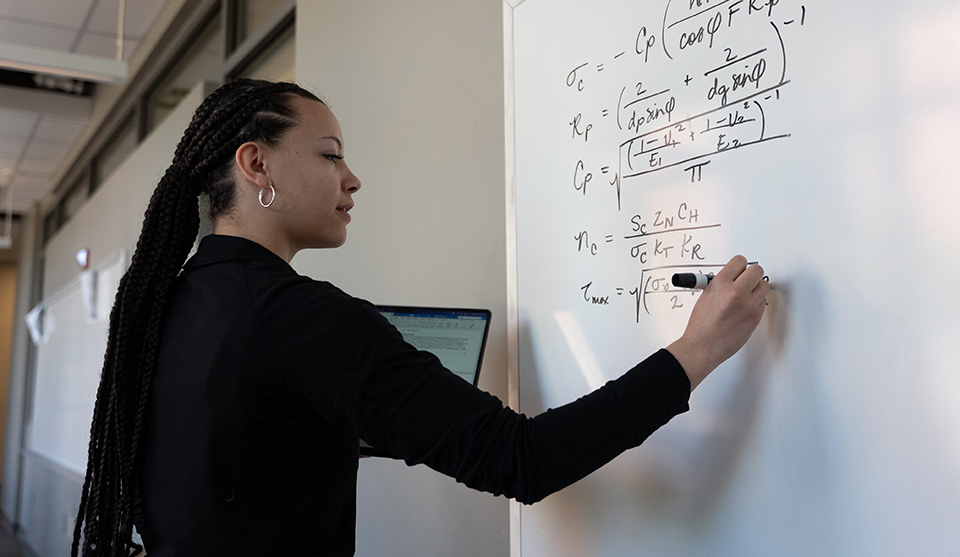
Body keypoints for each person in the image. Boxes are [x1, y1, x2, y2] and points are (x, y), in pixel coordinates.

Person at [72, 79, 769, 556]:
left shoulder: (159, 304)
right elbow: (519, 459)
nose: (353, 178)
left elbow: (234, 444)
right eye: (331, 154)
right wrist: (697, 348)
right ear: (256, 165)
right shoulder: (301, 319)